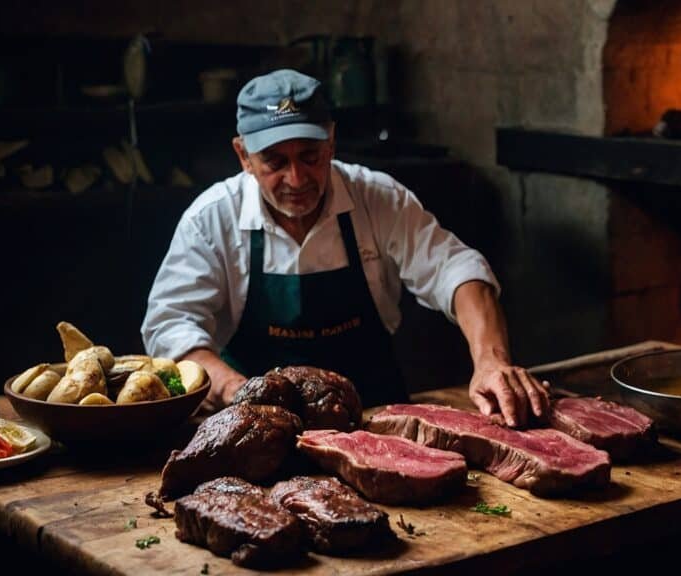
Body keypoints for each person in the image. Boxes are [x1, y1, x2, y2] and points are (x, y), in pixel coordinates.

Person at [141, 69, 546, 426]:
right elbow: (171, 325)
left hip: (373, 416)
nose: (297, 178)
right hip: (254, 424)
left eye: (310, 156)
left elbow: (457, 271)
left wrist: (492, 359)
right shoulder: (212, 219)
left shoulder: (378, 199)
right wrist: (237, 391)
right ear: (243, 156)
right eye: (275, 162)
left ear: (331, 142)